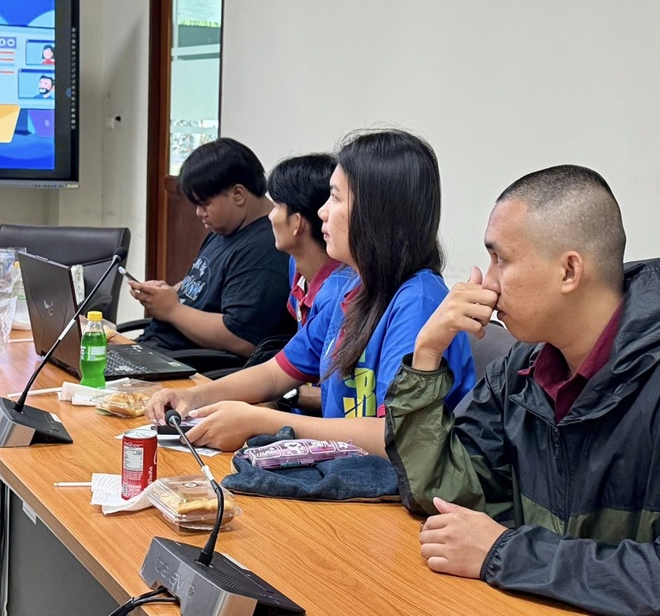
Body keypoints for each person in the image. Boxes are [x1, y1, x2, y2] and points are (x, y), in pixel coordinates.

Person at [385, 165, 660, 614]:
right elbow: (446, 497)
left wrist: (509, 553)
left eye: (501, 260)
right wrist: (426, 355)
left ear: (569, 271)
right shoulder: (522, 369)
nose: (486, 283)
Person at [145, 129, 476, 456]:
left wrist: (261, 421)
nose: (321, 212)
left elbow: (391, 438)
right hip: (344, 472)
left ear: (376, 210)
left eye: (336, 198)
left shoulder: (418, 301)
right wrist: (195, 396)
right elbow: (277, 372)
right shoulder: (349, 287)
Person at [131, 138, 294, 360]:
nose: (199, 213)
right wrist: (167, 293)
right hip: (157, 348)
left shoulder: (266, 249)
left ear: (238, 194)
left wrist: (172, 310)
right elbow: (204, 285)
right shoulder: (225, 230)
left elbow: (241, 338)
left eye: (204, 204)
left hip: (184, 363)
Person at [267, 152, 351, 414]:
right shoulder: (296, 266)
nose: (270, 216)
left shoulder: (341, 290)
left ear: (296, 223)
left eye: (276, 206)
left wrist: (288, 396)